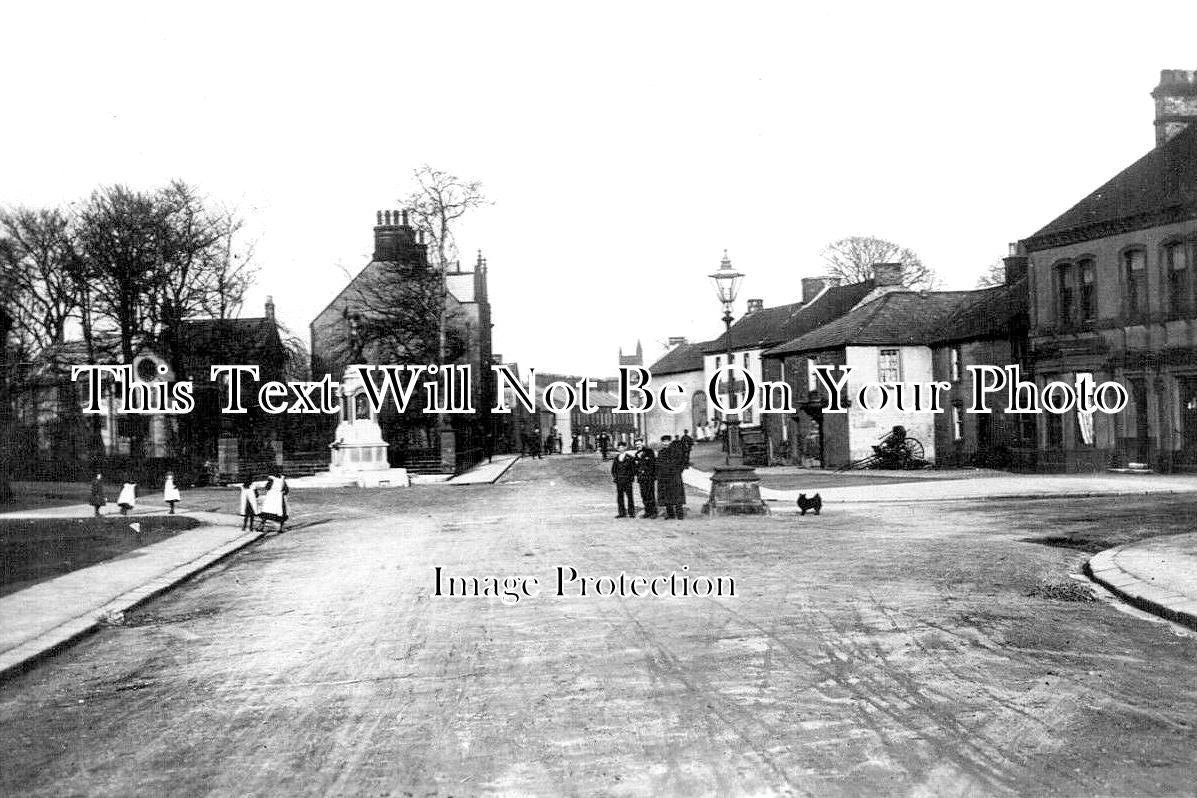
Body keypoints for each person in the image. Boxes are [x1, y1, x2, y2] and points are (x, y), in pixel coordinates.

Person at [656, 436, 686, 519]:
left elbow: (681, 463)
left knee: (677, 495)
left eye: (667, 441)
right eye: (663, 442)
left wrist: (677, 472)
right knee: (667, 496)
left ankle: (680, 515)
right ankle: (670, 514)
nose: (665, 443)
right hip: (664, 478)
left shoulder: (676, 451)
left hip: (674, 477)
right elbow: (658, 464)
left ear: (670, 442)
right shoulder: (661, 452)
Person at [611, 442, 638, 518]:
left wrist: (630, 478)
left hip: (627, 480)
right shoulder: (616, 458)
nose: (621, 449)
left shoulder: (630, 458)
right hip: (619, 480)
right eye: (619, 447)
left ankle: (631, 512)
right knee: (620, 497)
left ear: (625, 448)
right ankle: (621, 513)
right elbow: (613, 469)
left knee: (629, 496)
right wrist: (616, 477)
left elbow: (634, 469)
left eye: (622, 447)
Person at [634, 439, 658, 518]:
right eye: (636, 444)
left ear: (642, 443)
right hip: (641, 478)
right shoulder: (637, 454)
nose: (638, 445)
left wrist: (652, 474)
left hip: (649, 477)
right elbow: (636, 466)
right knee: (644, 495)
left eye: (639, 444)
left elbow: (652, 464)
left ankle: (653, 512)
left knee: (650, 494)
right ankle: (647, 511)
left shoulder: (649, 451)